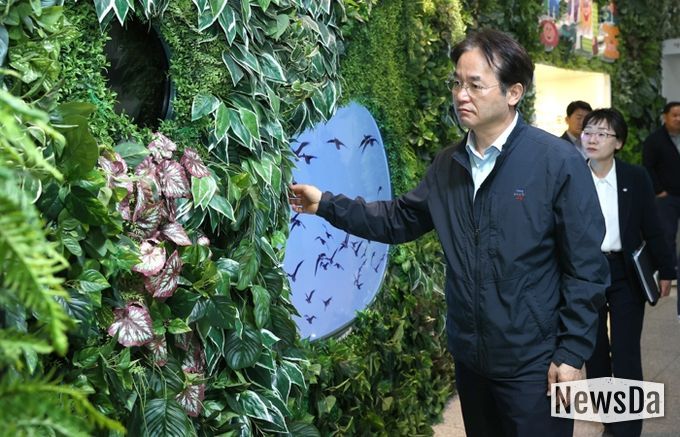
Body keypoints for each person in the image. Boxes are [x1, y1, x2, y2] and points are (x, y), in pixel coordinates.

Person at [290, 29, 609, 436]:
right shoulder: (448, 165)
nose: (461, 95)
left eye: (475, 84)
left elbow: (586, 267)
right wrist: (325, 204)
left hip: (534, 363)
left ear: (513, 92)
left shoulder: (556, 162)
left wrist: (571, 351)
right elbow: (398, 219)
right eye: (457, 83)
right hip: (471, 360)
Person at [582, 108, 674, 437]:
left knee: (625, 353)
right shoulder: (571, 175)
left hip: (624, 271)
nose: (592, 139)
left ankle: (627, 430)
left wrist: (667, 269)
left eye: (602, 133)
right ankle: (609, 420)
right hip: (584, 273)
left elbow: (653, 225)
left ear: (618, 142)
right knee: (593, 353)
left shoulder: (635, 177)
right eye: (588, 131)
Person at [642, 101, 680, 320]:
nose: (678, 118)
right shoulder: (655, 140)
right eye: (675, 115)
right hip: (667, 196)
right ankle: (668, 272)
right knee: (667, 233)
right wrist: (659, 190)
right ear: (665, 116)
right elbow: (647, 166)